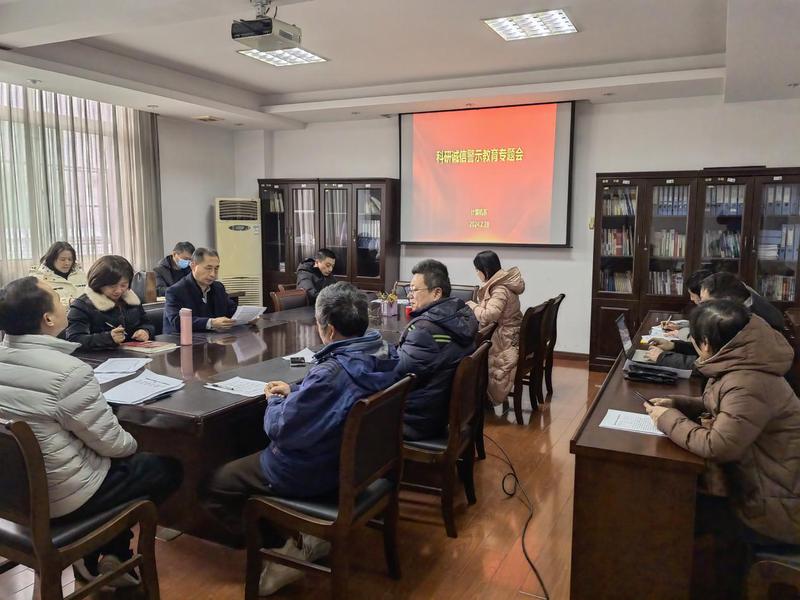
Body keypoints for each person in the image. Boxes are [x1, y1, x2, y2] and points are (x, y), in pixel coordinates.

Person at [200, 283, 400, 596]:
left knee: (215, 485)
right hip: (361, 465)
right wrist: (297, 391)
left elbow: (282, 430)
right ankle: (301, 536)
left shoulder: (332, 374)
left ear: (328, 330)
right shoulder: (383, 352)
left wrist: (274, 401)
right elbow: (337, 398)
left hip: (316, 471)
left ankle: (284, 549)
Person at [0, 277, 182, 586]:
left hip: (11, 495)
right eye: (58, 298)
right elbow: (115, 445)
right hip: (61, 500)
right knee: (164, 468)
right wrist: (134, 444)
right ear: (48, 319)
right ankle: (106, 552)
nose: (66, 303)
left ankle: (111, 554)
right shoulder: (67, 372)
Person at [644, 300, 800, 595]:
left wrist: (668, 419)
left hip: (777, 508)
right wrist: (679, 404)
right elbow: (725, 407)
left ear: (704, 343)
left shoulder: (748, 382)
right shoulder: (747, 363)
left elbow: (718, 445)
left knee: (674, 512)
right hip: (768, 487)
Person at [395, 259, 478, 440]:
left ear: (436, 293)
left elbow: (396, 374)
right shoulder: (460, 315)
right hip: (440, 410)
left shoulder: (425, 331)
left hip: (415, 420)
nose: (410, 296)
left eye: (414, 290)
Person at [465, 250, 525, 405]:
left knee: (470, 353)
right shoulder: (502, 284)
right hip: (511, 333)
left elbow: (488, 315)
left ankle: (478, 397)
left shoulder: (499, 289)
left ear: (485, 270)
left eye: (477, 270)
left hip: (504, 338)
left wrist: (472, 305)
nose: (477, 273)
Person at [66, 255, 155, 350]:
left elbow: (147, 323)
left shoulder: (131, 300)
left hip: (133, 354)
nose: (118, 291)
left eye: (123, 285)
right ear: (98, 283)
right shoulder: (82, 305)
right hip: (99, 357)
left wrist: (145, 331)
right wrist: (107, 338)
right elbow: (74, 340)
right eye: (112, 286)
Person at [645, 269, 711, 368]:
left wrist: (663, 358)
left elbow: (705, 364)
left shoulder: (715, 320)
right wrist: (673, 346)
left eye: (693, 295)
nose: (691, 299)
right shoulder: (711, 315)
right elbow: (701, 351)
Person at [163, 247, 237, 334]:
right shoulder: (175, 291)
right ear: (193, 266)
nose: (213, 274)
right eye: (208, 268)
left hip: (212, 338)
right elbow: (178, 321)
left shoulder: (218, 287)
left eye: (216, 268)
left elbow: (232, 310)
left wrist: (248, 317)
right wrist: (211, 323)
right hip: (180, 339)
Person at [29, 241, 87, 305]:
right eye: (62, 259)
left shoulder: (81, 275)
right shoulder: (39, 279)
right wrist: (68, 301)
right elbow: (40, 302)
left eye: (70, 259)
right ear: (52, 259)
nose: (67, 263)